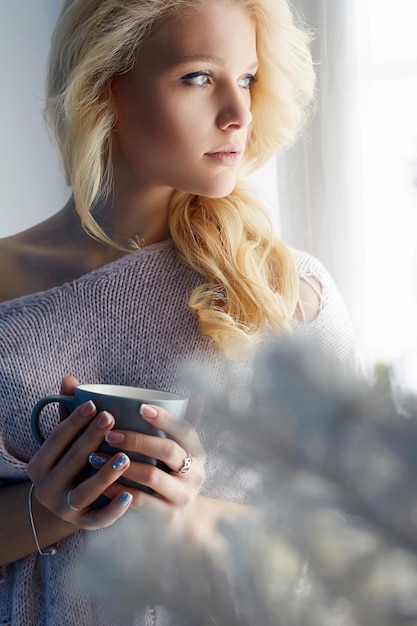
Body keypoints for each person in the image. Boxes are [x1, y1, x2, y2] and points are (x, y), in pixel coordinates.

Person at [0, 0, 363, 624]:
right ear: (102, 86)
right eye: (199, 77)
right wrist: (49, 508)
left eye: (247, 78)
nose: (238, 113)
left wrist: (186, 512)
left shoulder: (288, 291)